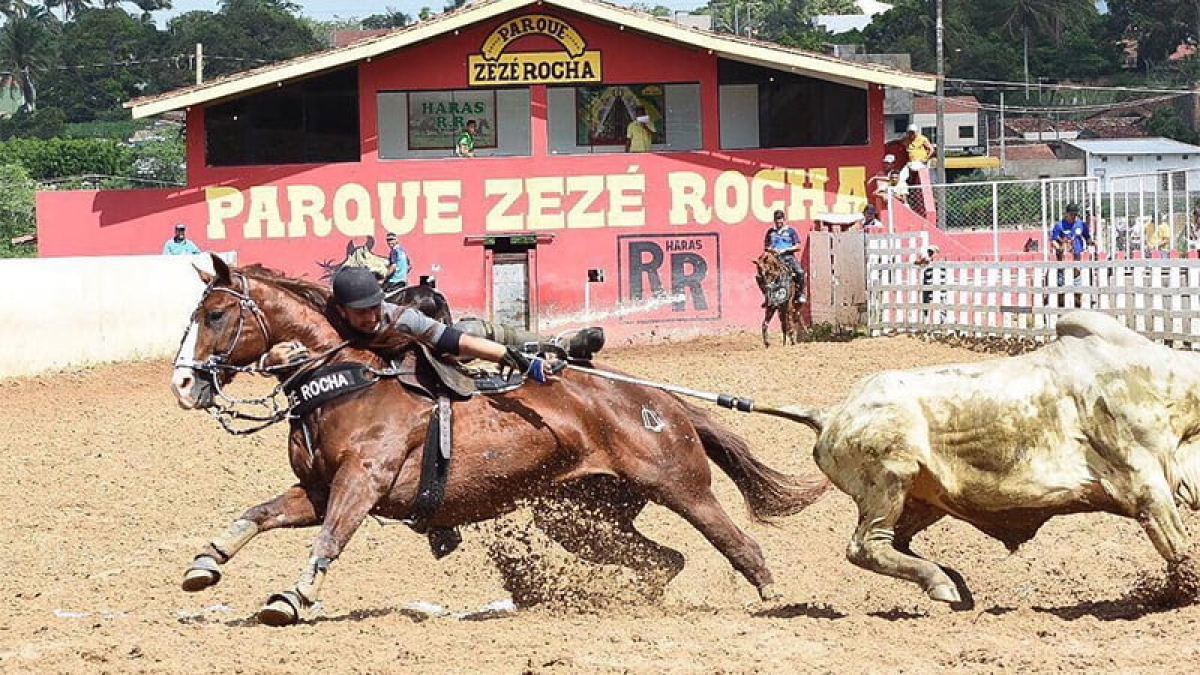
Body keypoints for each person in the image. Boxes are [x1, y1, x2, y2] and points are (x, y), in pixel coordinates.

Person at [1049, 203, 1093, 307]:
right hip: (1063, 259)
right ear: (1067, 214)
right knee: (1062, 283)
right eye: (1071, 214)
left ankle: (1081, 302)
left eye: (1075, 214)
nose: (1073, 217)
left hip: (1077, 257)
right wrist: (1059, 248)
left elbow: (1087, 238)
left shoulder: (1081, 225)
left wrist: (1092, 242)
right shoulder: (1059, 225)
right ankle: (1061, 304)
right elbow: (1053, 241)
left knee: (1078, 280)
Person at [761, 209, 805, 305]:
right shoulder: (771, 232)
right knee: (762, 274)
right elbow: (766, 246)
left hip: (788, 257)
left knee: (800, 272)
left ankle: (800, 294)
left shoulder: (790, 231)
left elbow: (798, 246)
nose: (778, 222)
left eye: (780, 219)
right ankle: (767, 296)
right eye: (776, 220)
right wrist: (771, 249)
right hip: (774, 258)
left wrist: (786, 250)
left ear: (784, 219)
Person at [895, 124, 934, 197]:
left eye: (913, 132)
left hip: (920, 163)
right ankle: (903, 194)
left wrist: (926, 159)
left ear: (916, 132)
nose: (911, 134)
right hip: (911, 163)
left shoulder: (922, 139)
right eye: (910, 132)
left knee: (908, 167)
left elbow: (931, 149)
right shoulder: (906, 140)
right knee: (901, 177)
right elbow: (899, 142)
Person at [916, 244, 945, 323]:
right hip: (927, 283)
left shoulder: (939, 262)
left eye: (931, 251)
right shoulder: (927, 260)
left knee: (940, 301)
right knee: (925, 301)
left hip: (937, 283)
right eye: (929, 251)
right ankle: (925, 320)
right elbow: (919, 263)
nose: (930, 253)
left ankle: (941, 320)